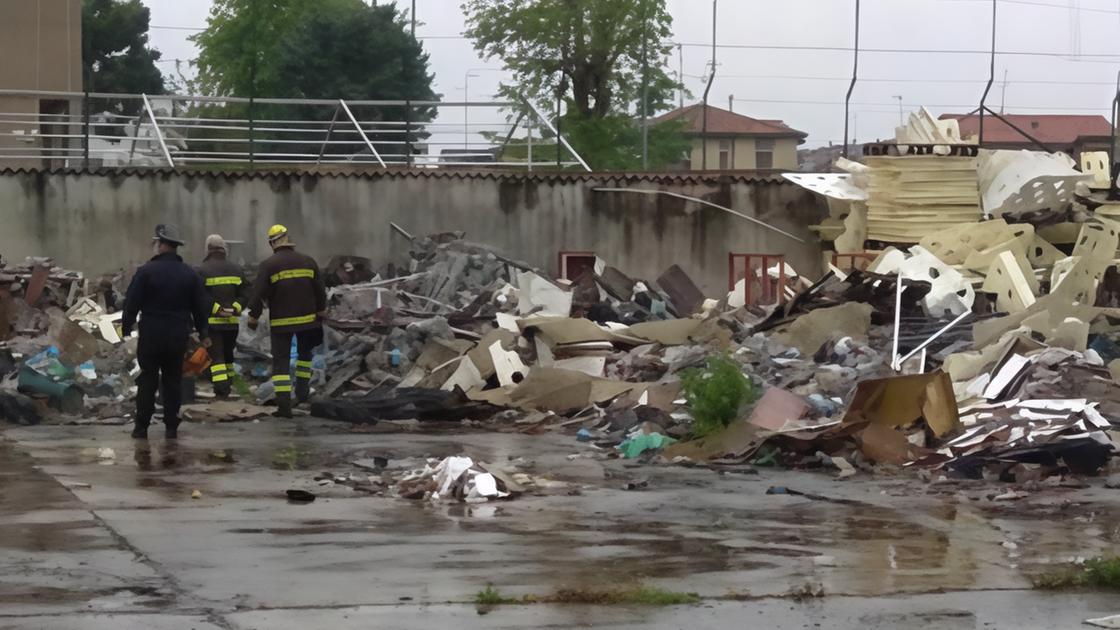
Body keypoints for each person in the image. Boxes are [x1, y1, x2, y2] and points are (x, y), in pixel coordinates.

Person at [122, 224, 210, 440]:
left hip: (151, 334)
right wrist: (204, 332)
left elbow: (131, 303)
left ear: (161, 245)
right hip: (177, 335)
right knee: (173, 380)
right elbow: (200, 307)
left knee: (148, 379)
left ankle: (141, 427)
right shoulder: (190, 274)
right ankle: (171, 425)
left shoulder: (146, 272)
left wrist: (126, 327)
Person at [247, 224, 326, 418]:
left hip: (282, 323)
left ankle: (284, 407)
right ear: (288, 240)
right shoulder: (308, 261)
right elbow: (320, 290)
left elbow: (258, 293)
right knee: (304, 358)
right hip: (308, 322)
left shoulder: (269, 264)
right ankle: (302, 393)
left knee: (281, 363)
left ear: (272, 243)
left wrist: (254, 316)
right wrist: (321, 311)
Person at [196, 234, 248, 398]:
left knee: (217, 358)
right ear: (224, 249)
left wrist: (217, 309)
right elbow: (246, 294)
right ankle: (231, 385)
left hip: (212, 324)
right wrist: (235, 308)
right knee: (228, 356)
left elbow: (200, 296)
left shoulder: (202, 270)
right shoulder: (236, 269)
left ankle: (221, 391)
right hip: (232, 323)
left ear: (208, 249)